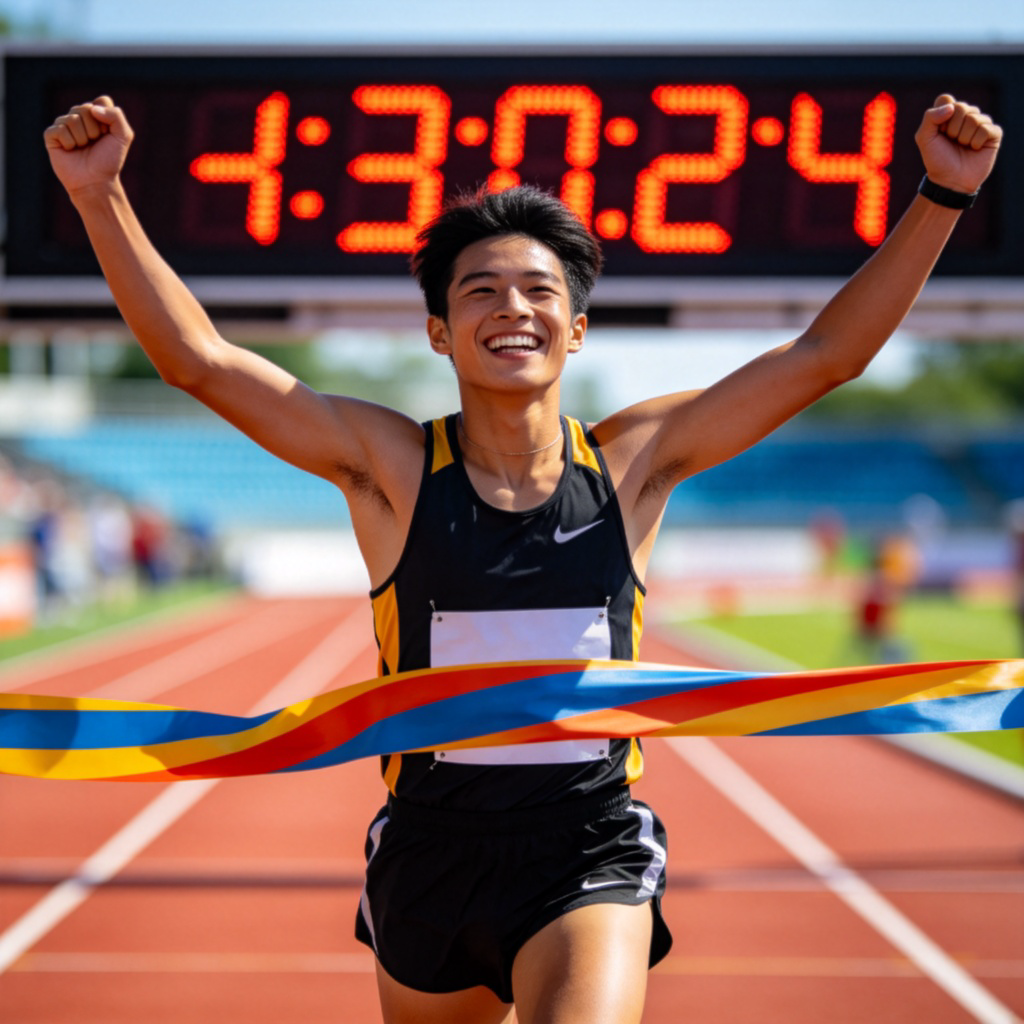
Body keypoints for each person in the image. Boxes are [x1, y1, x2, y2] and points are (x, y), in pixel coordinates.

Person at [43, 91, 1001, 1024]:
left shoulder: (635, 464)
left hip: (587, 844)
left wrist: (942, 195)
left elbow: (825, 353)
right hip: (430, 852)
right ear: (439, 329)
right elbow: (199, 362)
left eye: (541, 290)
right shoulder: (395, 471)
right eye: (481, 291)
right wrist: (100, 196)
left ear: (575, 328)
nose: (514, 308)